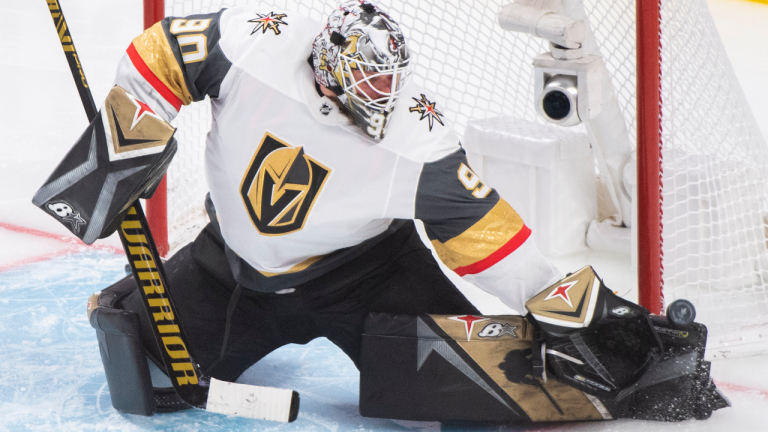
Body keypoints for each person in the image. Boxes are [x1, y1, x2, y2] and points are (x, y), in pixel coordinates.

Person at [92, 0, 561, 414]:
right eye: (370, 82)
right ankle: (138, 292)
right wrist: (129, 136)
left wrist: (565, 310)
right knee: (142, 364)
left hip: (370, 276)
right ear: (329, 68)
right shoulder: (257, 42)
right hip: (232, 274)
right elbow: (161, 51)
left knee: (500, 392)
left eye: (389, 82)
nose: (382, 96)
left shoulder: (419, 136)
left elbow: (489, 236)